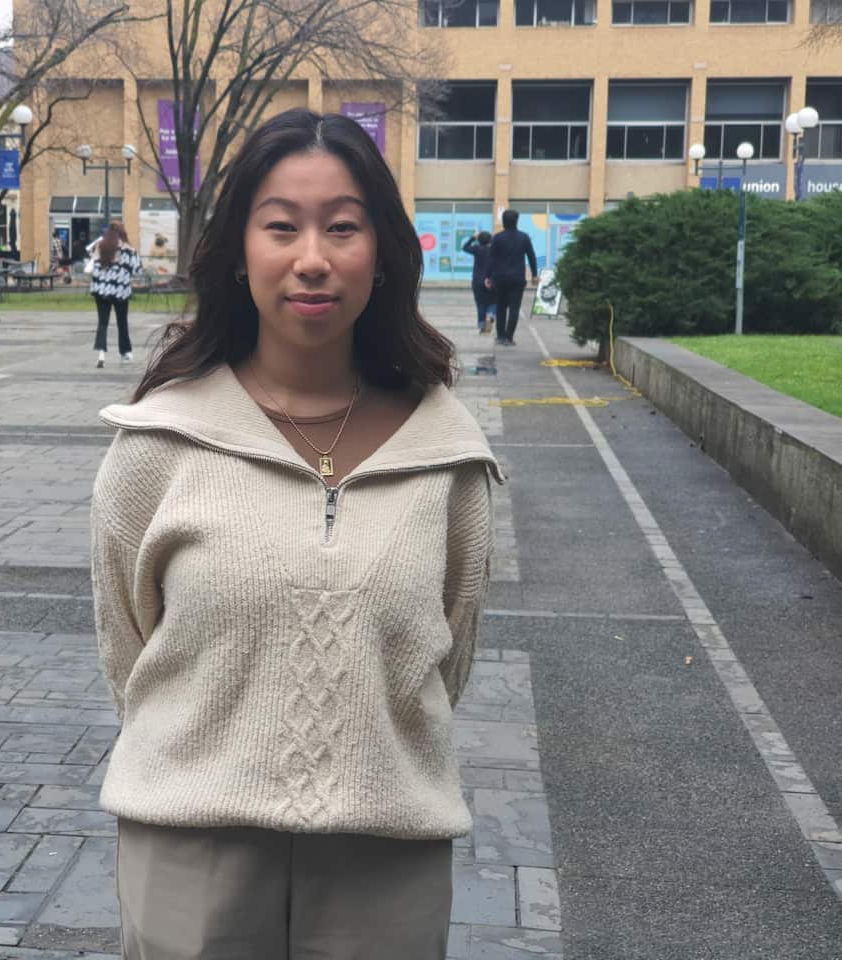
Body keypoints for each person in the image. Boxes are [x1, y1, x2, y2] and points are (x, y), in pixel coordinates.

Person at [90, 108, 502, 959]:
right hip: (188, 849)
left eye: (342, 228)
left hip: (385, 860)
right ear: (239, 251)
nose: (312, 258)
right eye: (281, 227)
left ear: (383, 252)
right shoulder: (157, 447)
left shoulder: (447, 455)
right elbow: (130, 659)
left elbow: (445, 658)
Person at [87, 221, 140, 368]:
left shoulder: (100, 246)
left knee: (102, 322)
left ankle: (101, 354)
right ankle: (125, 352)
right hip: (120, 291)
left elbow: (91, 263)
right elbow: (136, 269)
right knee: (121, 322)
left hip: (101, 290)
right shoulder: (128, 250)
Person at [486, 208, 538, 346]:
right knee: (514, 308)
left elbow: (491, 258)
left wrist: (488, 276)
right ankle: (509, 337)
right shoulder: (524, 237)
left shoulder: (497, 238)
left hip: (500, 278)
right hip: (517, 278)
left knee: (501, 307)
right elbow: (531, 256)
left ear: (503, 222)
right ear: (516, 221)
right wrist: (534, 274)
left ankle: (500, 336)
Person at [461, 230, 495, 334]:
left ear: (479, 240)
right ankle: (490, 315)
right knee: (494, 301)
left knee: (480, 304)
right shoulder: (493, 250)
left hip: (477, 280)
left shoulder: (477, 249)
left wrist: (473, 237)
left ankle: (482, 326)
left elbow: (464, 247)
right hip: (491, 280)